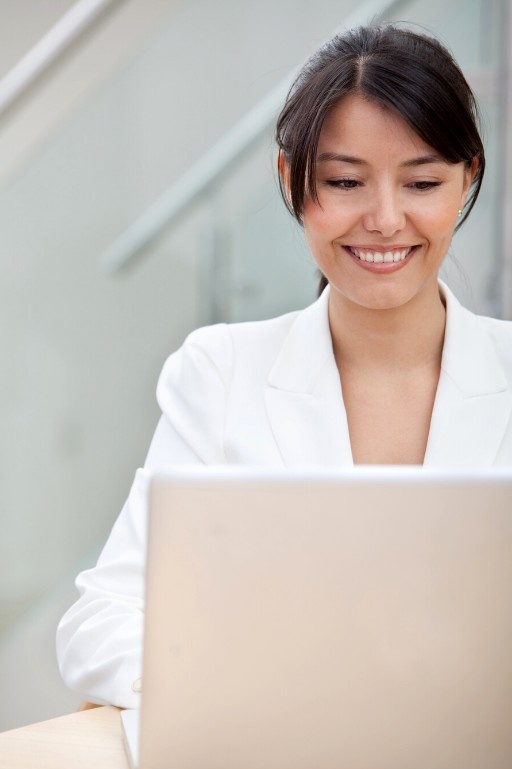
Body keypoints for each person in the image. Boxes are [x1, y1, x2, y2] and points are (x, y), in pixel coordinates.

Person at [56, 24, 512, 709]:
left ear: (468, 176)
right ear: (290, 180)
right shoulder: (219, 374)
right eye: (345, 181)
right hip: (271, 749)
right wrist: (234, 692)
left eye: (421, 182)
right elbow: (102, 621)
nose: (386, 219)